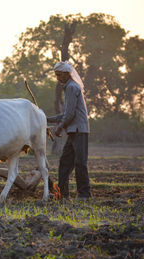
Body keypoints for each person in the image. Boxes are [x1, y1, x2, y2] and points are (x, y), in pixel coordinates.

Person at [47, 61, 92, 200]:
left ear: (67, 74)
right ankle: (62, 194)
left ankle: (84, 195)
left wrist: (59, 127)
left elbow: (70, 114)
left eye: (59, 75)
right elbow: (67, 113)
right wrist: (48, 119)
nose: (58, 78)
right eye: (56, 75)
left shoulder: (72, 87)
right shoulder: (69, 87)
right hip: (73, 131)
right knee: (65, 163)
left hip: (79, 130)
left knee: (80, 163)